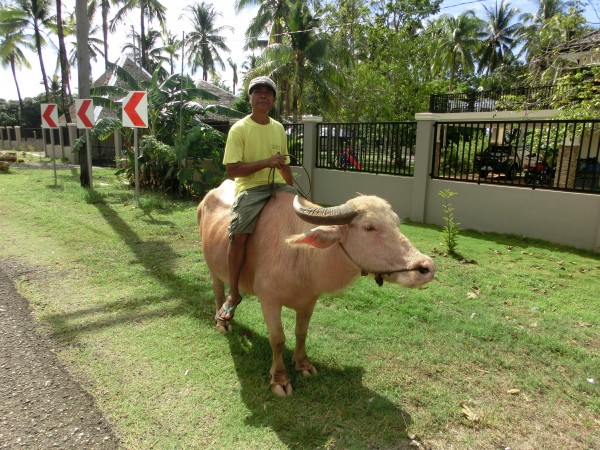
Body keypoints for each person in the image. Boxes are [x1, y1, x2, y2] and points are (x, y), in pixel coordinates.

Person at [216, 76, 295, 322]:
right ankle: (233, 293)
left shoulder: (278, 128)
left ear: (273, 100)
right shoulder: (239, 129)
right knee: (239, 234)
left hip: (278, 186)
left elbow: (284, 163)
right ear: (250, 98)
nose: (263, 96)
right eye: (258, 92)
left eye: (268, 93)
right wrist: (266, 162)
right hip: (250, 189)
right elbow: (232, 170)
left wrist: (289, 181)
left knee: (305, 221)